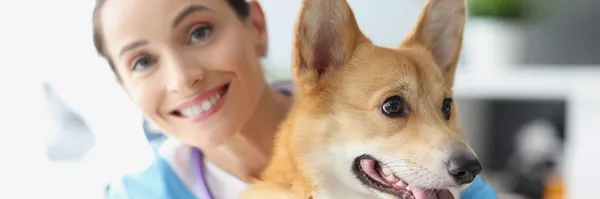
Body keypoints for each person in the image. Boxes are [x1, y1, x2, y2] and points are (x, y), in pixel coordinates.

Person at [91, 0, 499, 198]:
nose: (183, 78)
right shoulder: (138, 194)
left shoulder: (437, 181)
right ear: (124, 87)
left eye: (200, 32)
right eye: (142, 62)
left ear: (256, 25)